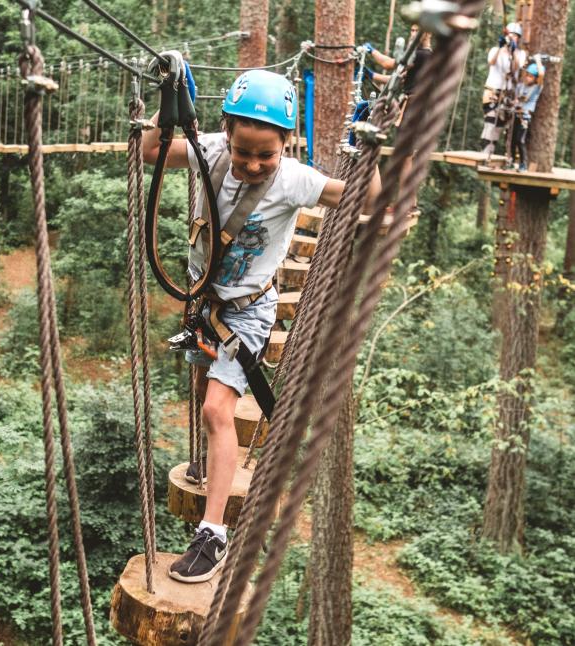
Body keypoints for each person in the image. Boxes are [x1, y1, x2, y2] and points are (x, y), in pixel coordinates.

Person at [142, 63, 380, 583]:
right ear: (226, 132)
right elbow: (151, 153)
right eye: (244, 152)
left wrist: (370, 152)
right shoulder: (209, 150)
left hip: (248, 309)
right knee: (208, 394)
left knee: (216, 410)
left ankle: (213, 534)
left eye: (265, 155)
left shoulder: (295, 179)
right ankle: (212, 482)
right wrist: (169, 99)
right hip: (204, 302)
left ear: (286, 146)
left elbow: (364, 197)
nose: (252, 164)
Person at [362, 25, 432, 211]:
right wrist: (370, 75)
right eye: (412, 30)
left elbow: (389, 64)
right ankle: (410, 203)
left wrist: (371, 51)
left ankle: (406, 204)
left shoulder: (422, 54)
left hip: (414, 107)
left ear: (428, 33)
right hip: (416, 107)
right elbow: (398, 79)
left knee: (406, 157)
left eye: (418, 31)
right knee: (407, 157)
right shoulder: (419, 56)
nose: (413, 34)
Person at [479, 22, 528, 157]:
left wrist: (512, 51)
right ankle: (484, 152)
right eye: (510, 35)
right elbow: (491, 62)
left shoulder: (521, 54)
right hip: (492, 91)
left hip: (507, 94)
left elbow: (515, 68)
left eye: (515, 36)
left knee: (499, 126)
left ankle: (490, 150)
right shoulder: (496, 50)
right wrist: (502, 48)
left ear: (519, 38)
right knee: (490, 121)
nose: (512, 38)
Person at [512, 57, 544, 171]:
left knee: (520, 140)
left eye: (531, 76)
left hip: (525, 117)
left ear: (535, 79)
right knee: (512, 139)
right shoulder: (521, 86)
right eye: (527, 75)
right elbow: (516, 99)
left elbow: (541, 75)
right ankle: (511, 161)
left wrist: (538, 60)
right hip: (516, 114)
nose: (528, 77)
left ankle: (523, 164)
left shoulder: (536, 87)